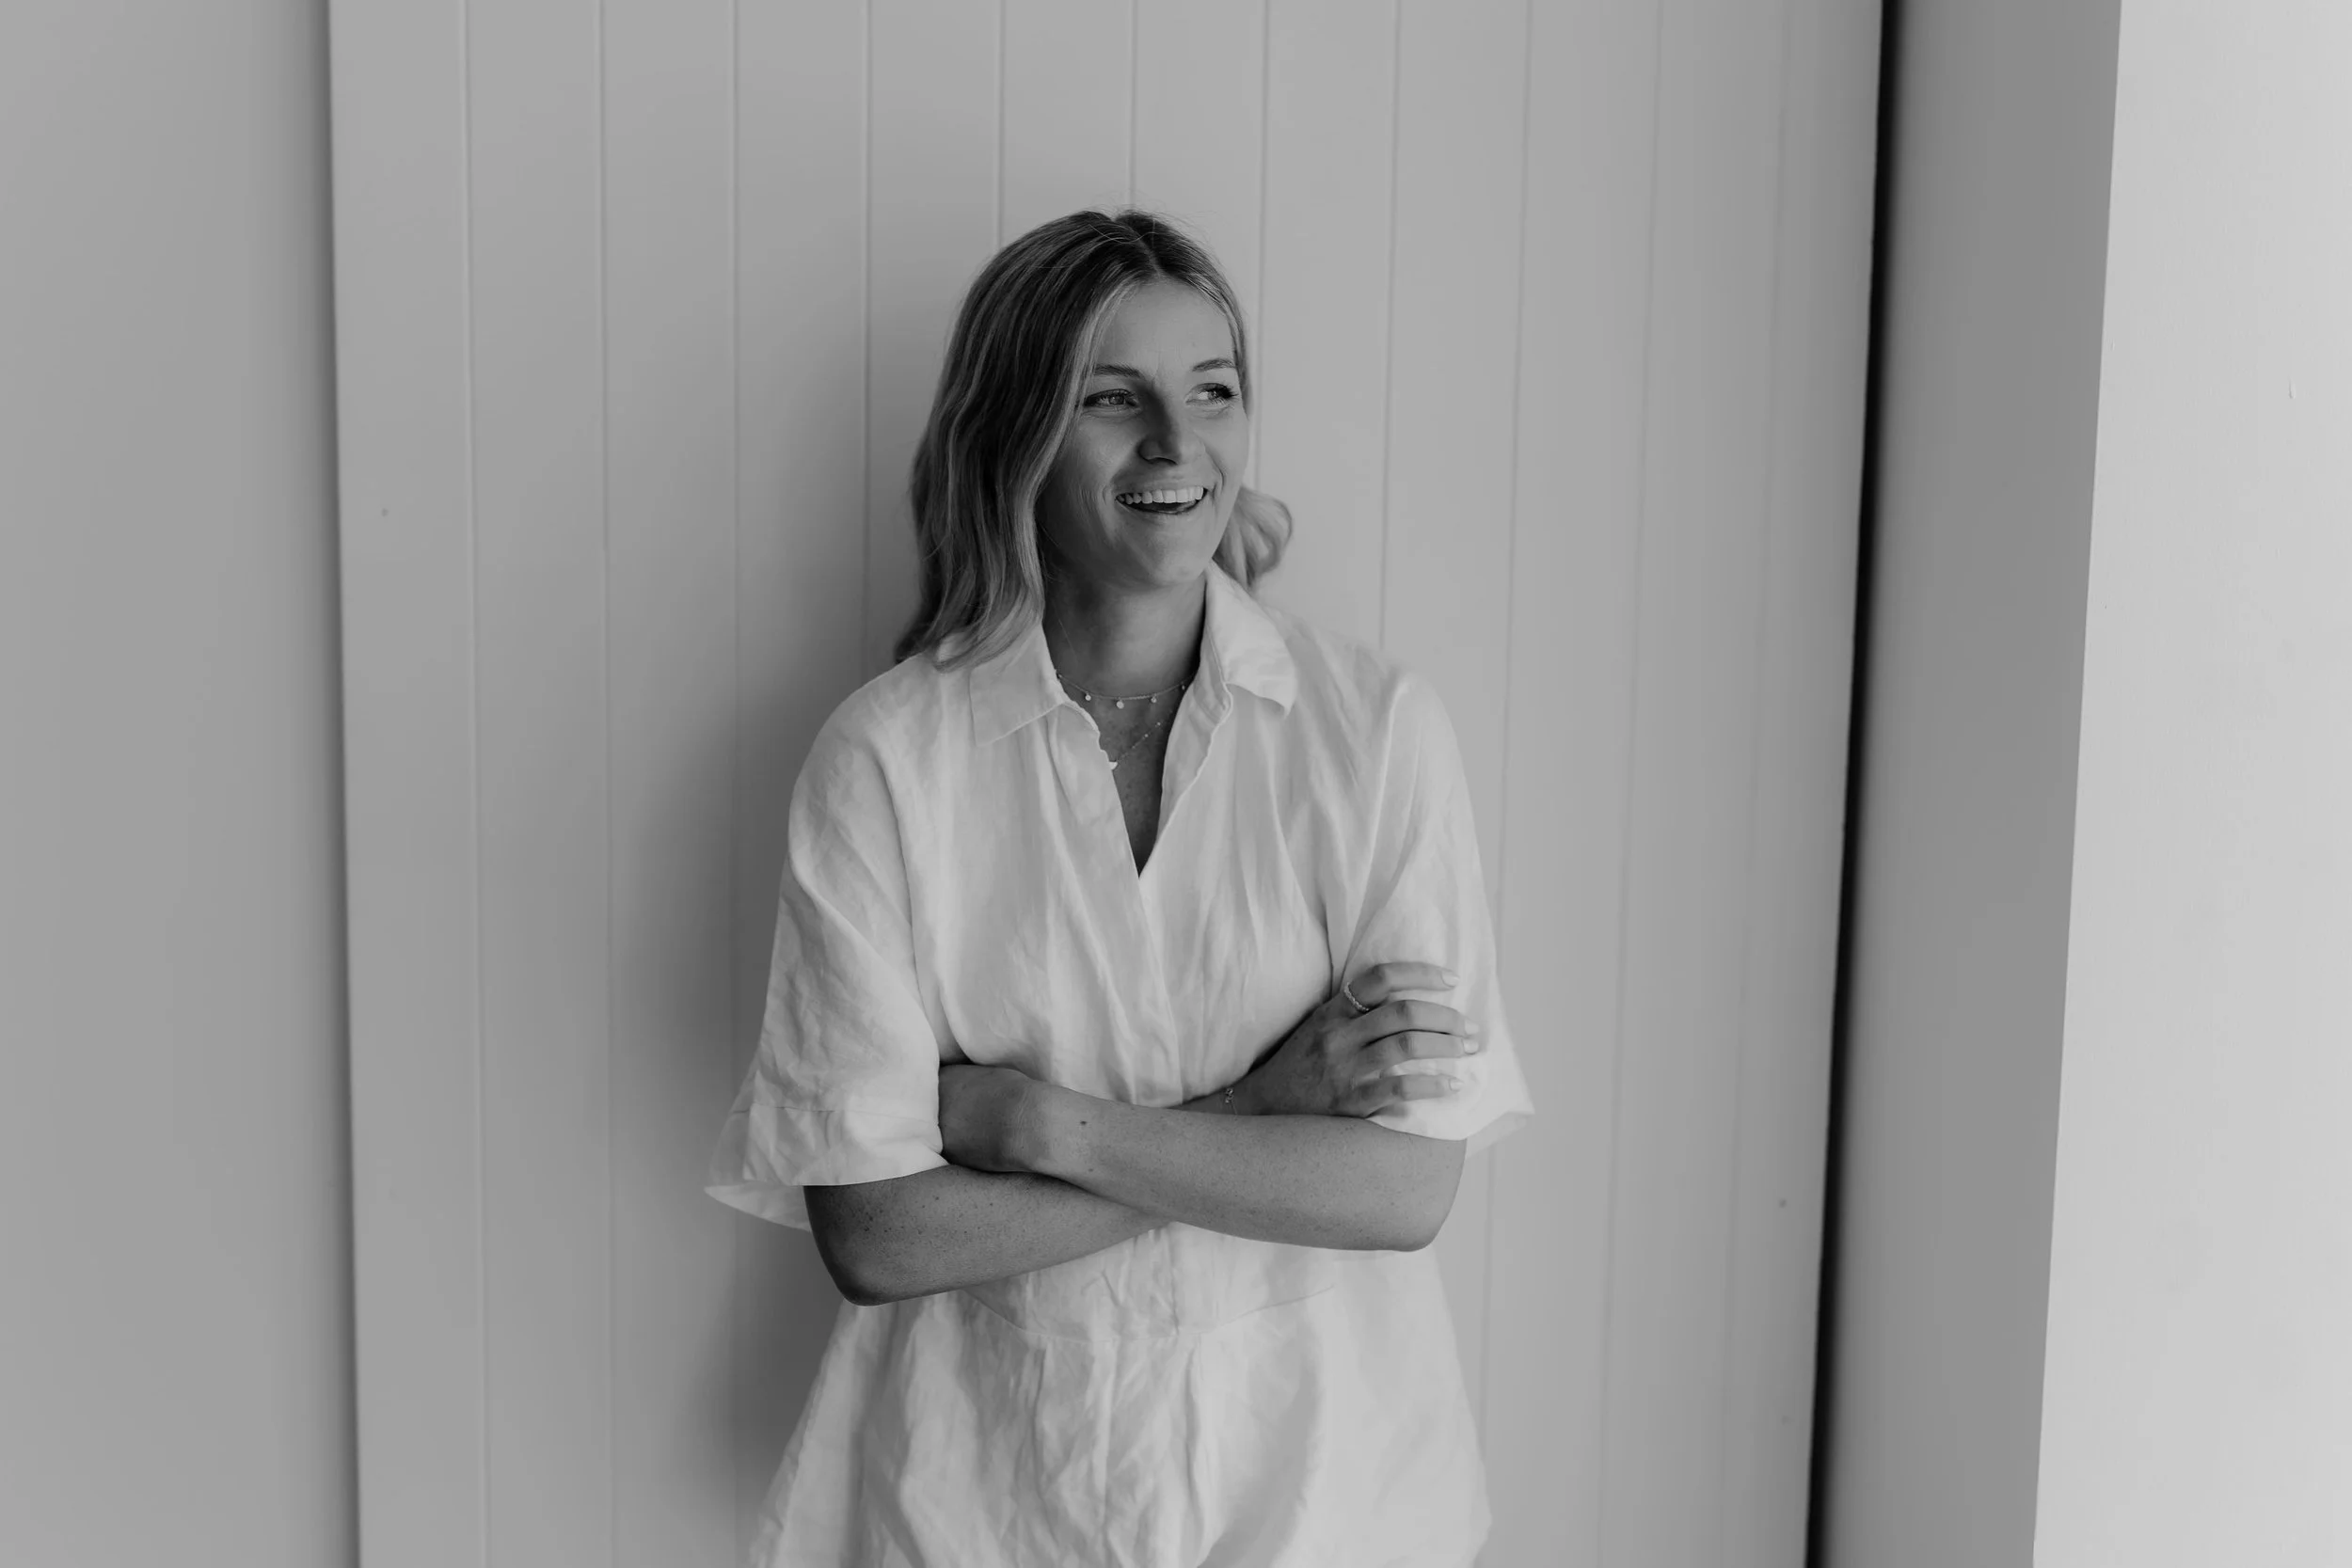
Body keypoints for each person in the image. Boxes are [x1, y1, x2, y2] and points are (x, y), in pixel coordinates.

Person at [706, 208, 1534, 1567]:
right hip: (990, 1503)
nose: (1176, 442)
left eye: (1213, 391)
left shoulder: (1371, 733)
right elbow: (883, 1231)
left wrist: (1040, 1124)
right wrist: (1261, 1116)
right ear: (1017, 430)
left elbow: (1399, 1190)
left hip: (1332, 1503)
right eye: (1114, 399)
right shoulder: (888, 765)